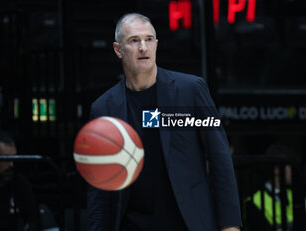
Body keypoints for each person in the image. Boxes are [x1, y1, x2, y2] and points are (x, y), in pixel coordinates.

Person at [87, 13, 242, 231]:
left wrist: (230, 224)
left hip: (189, 223)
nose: (143, 47)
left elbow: (220, 159)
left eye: (149, 39)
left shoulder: (191, 90)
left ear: (156, 45)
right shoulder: (103, 108)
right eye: (134, 41)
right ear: (118, 49)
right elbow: (100, 188)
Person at [244, 144, 303, 231]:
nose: (293, 171)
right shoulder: (254, 201)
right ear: (277, 169)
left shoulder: (297, 196)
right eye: (290, 166)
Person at [0, 131, 38, 231]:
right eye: (6, 159)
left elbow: (32, 221)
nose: (11, 164)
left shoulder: (20, 184)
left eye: (14, 158)